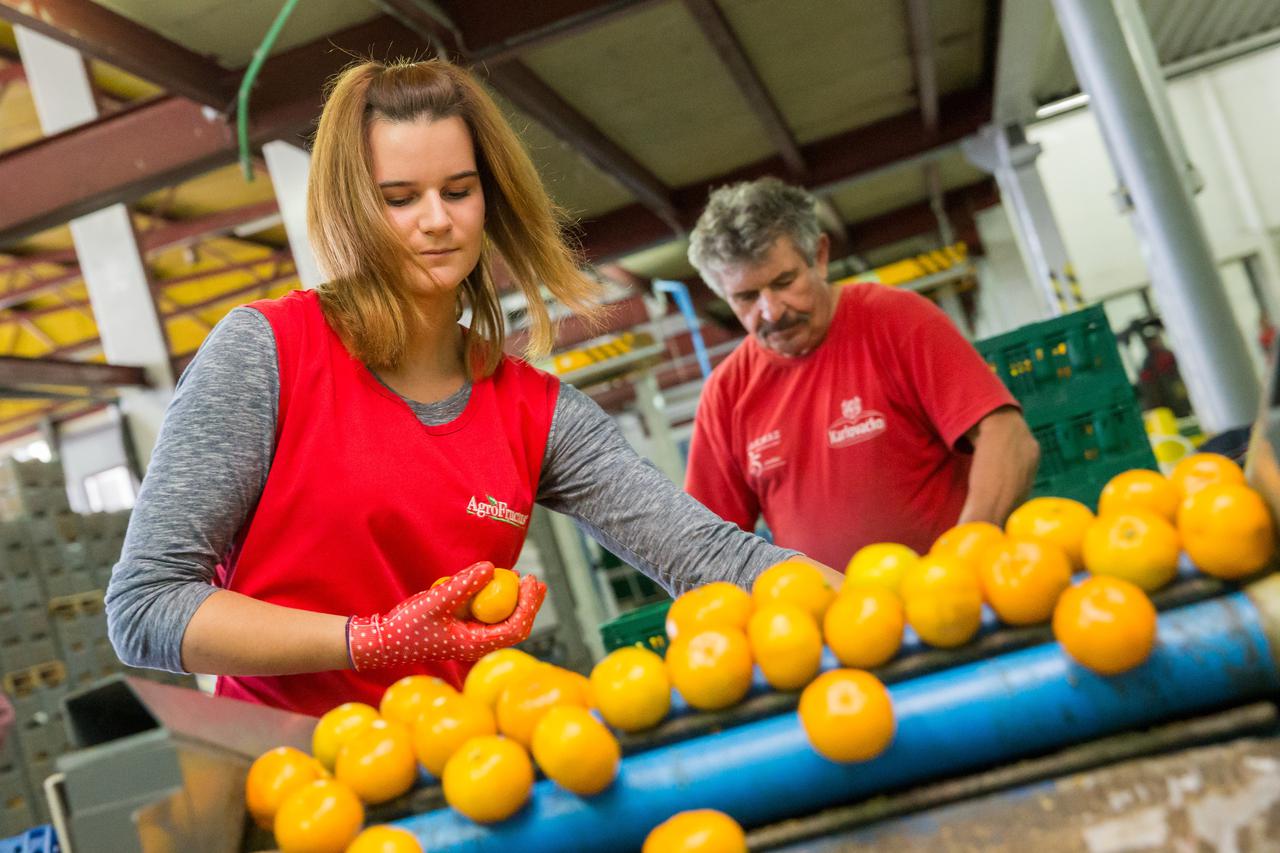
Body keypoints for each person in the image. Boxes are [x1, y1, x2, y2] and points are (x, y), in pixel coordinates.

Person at [105, 60, 836, 718]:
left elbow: (709, 556)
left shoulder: (538, 413)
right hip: (294, 783)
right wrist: (368, 640)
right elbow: (146, 608)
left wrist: (899, 598)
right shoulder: (267, 352)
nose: (436, 221)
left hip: (470, 773)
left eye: (458, 190)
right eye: (399, 198)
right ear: (353, 206)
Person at [684, 178, 1040, 569]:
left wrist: (966, 557)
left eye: (784, 282)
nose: (771, 311)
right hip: (827, 623)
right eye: (746, 297)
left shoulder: (897, 320)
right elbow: (708, 540)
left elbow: (1008, 437)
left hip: (951, 602)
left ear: (819, 256)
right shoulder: (727, 394)